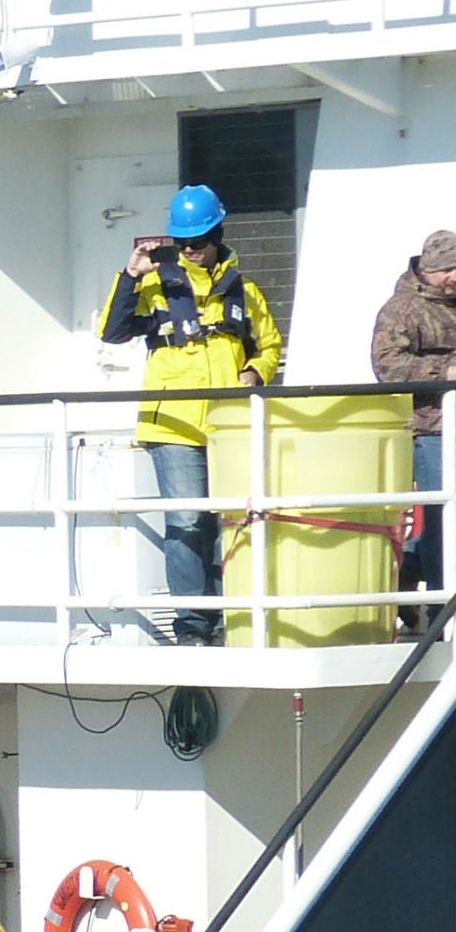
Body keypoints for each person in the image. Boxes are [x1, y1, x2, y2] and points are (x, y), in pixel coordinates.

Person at [102, 183, 282, 645]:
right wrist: (129, 274)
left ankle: (230, 619)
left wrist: (254, 373)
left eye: (197, 242)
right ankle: (193, 626)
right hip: (173, 426)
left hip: (231, 426)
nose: (189, 251)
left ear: (217, 235)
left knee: (230, 523)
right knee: (185, 523)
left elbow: (269, 346)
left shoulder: (244, 290)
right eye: (181, 243)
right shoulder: (154, 284)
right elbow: (114, 331)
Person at [371, 230, 456, 602]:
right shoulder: (402, 308)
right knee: (443, 521)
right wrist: (445, 372)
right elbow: (387, 366)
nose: (453, 277)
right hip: (433, 431)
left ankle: (410, 567)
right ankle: (442, 609)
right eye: (446, 270)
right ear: (428, 270)